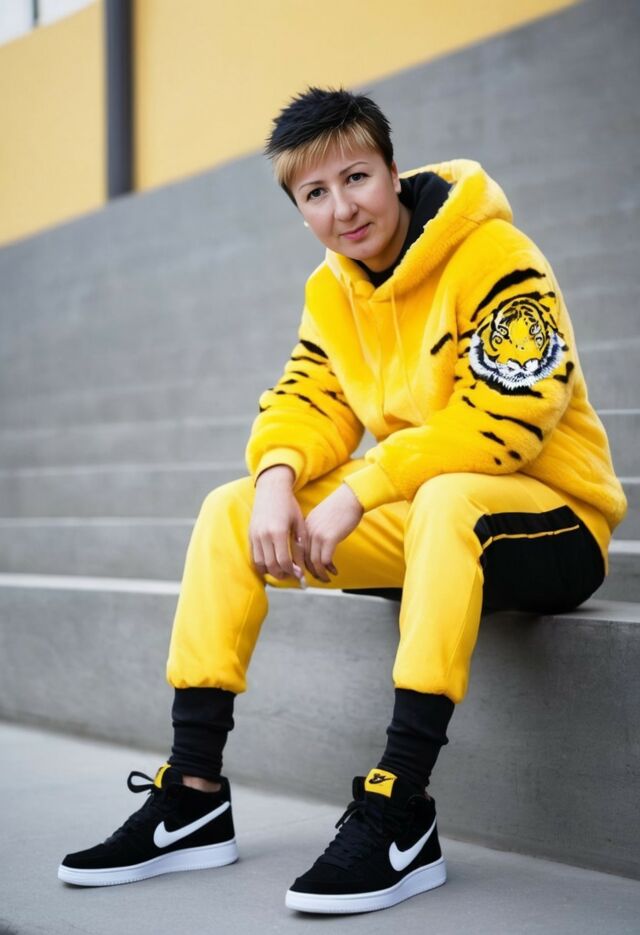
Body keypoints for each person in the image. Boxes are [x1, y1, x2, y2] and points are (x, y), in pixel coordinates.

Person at [58, 87, 626, 914]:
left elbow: (509, 417)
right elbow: (307, 399)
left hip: (554, 522)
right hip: (430, 522)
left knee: (448, 500)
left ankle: (401, 804)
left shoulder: (495, 253)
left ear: (393, 171)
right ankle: (192, 793)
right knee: (229, 508)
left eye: (356, 178)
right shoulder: (333, 290)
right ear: (299, 210)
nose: (342, 208)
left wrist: (363, 487)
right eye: (315, 194)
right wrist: (276, 480)